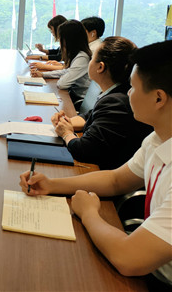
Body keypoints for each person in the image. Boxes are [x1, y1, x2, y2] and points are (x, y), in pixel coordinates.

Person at [20, 40, 172, 288]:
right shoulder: (158, 139)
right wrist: (52, 185)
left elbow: (129, 259)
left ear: (158, 98)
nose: (128, 93)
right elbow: (116, 180)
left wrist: (89, 212)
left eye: (133, 87)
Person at [50, 37, 152, 169]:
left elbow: (84, 150)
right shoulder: (118, 92)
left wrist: (66, 133)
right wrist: (66, 122)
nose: (89, 62)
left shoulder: (116, 102)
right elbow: (90, 115)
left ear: (100, 67)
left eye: (92, 58)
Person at [31, 20, 91, 108]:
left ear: (69, 40)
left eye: (61, 38)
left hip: (78, 100)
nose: (60, 42)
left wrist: (64, 76)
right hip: (73, 95)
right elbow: (66, 71)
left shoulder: (82, 58)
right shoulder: (78, 54)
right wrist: (43, 74)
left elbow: (62, 84)